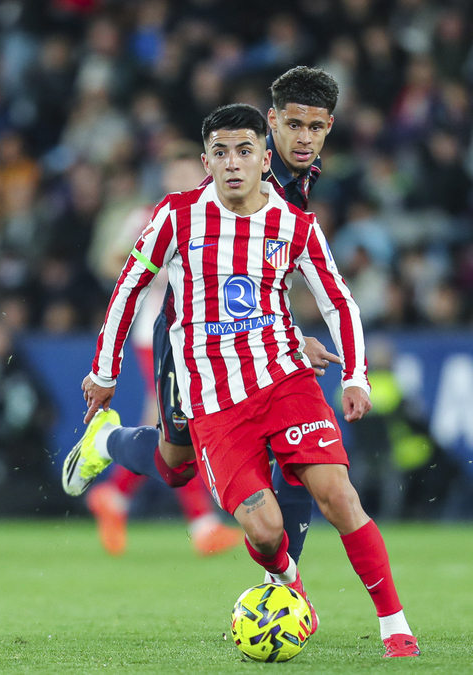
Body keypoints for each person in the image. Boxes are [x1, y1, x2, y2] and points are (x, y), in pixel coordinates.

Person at [68, 102, 419, 657]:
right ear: (207, 161)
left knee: (337, 493)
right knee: (206, 487)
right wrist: (104, 372)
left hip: (284, 382)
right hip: (208, 389)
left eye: (245, 151)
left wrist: (355, 376)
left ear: (264, 159)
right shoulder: (176, 216)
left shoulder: (293, 221)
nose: (233, 163)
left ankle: (394, 625)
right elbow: (128, 285)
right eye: (221, 152)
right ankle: (108, 441)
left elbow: (339, 302)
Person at [64, 67, 341, 571]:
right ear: (274, 124)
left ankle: (281, 581)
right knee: (176, 457)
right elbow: (126, 271)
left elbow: (260, 273)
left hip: (247, 337)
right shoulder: (205, 195)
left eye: (316, 128)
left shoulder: (296, 180)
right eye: (296, 126)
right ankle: (113, 456)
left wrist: (289, 334)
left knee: (269, 454)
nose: (305, 138)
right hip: (183, 336)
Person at [84, 142, 245, 557]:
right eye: (173, 176)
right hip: (156, 333)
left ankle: (117, 495)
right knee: (177, 422)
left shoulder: (219, 215)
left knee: (176, 425)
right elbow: (110, 263)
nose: (180, 183)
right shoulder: (151, 216)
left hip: (201, 332)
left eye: (187, 174)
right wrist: (150, 266)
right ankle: (202, 523)